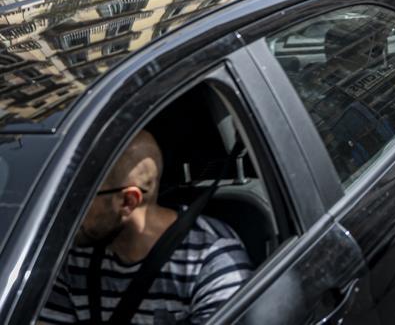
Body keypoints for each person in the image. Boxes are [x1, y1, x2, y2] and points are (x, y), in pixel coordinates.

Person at [40, 130, 253, 324]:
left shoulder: (210, 260)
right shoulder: (75, 257)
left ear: (128, 201)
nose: (67, 212)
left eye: (80, 199)